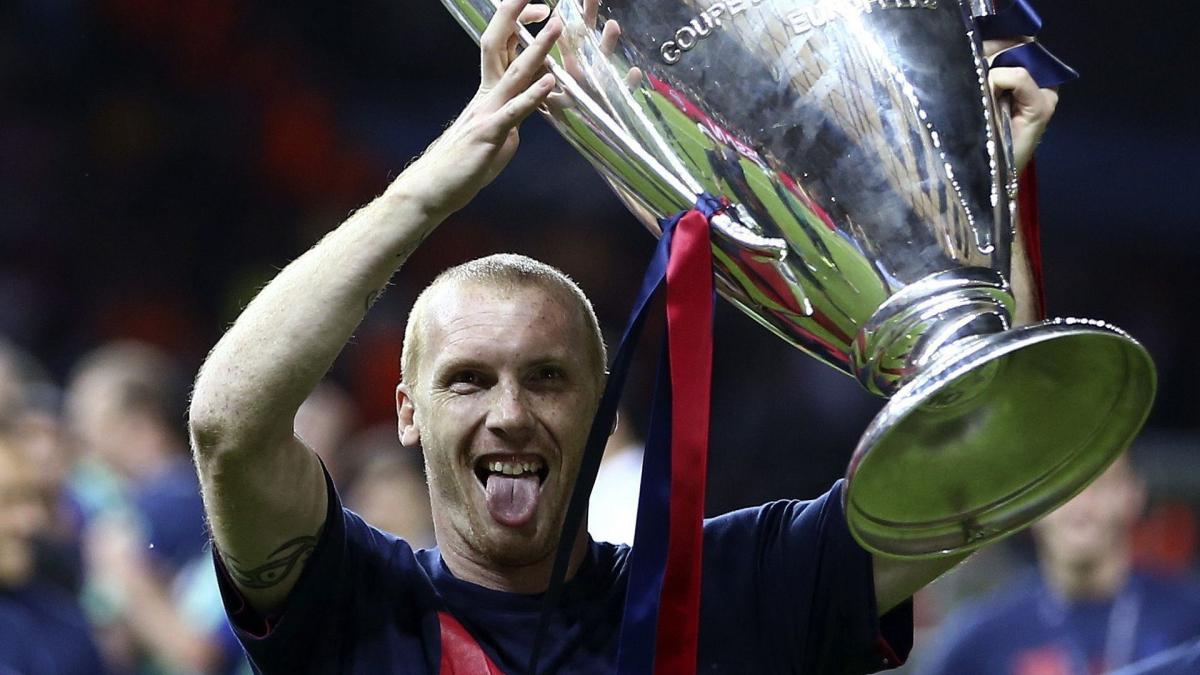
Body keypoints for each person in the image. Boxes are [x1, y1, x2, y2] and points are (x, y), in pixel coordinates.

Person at [187, 1, 1061, 671]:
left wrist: (986, 194)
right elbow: (228, 425)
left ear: (604, 409)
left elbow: (1001, 461)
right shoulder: (356, 609)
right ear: (407, 411)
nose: (509, 413)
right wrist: (427, 188)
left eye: (547, 377)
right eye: (467, 379)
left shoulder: (735, 593)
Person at [922, 456, 1200, 675]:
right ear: (1031, 504)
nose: (1081, 507)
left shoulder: (1190, 618)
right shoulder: (980, 640)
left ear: (1133, 494)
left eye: (1100, 485)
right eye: (1062, 490)